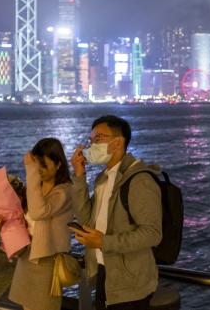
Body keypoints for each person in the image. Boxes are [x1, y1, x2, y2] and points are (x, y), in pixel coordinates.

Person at [70, 115, 162, 310]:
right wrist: (79, 175)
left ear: (118, 142)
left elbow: (152, 234)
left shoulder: (139, 180)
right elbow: (86, 219)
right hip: (105, 272)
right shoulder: (104, 178)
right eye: (91, 141)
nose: (91, 146)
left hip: (131, 283)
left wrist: (104, 242)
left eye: (98, 139)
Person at [7, 138, 74, 310]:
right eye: (37, 164)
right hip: (26, 258)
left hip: (47, 263)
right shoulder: (34, 189)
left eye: (44, 165)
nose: (39, 170)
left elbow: (38, 212)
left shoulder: (65, 191)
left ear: (59, 164)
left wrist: (30, 170)